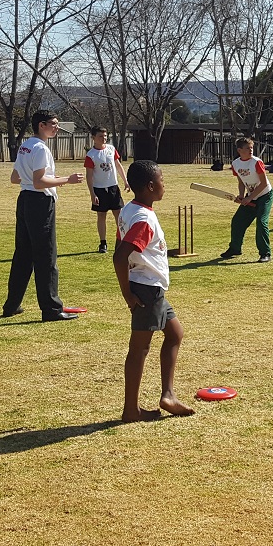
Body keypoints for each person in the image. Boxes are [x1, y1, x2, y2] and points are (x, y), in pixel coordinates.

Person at [114, 159, 195, 421]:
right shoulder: (144, 219)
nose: (164, 184)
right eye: (162, 180)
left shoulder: (129, 210)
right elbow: (119, 256)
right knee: (139, 348)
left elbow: (121, 245)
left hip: (151, 287)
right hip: (146, 288)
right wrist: (128, 295)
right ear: (150, 186)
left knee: (175, 333)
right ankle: (131, 410)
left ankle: (168, 395)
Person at [3, 110, 85, 321]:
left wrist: (51, 178)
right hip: (40, 203)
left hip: (25, 200)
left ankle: (12, 305)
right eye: (53, 124)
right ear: (41, 125)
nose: (57, 127)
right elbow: (39, 182)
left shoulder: (26, 146)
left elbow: (16, 178)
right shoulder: (40, 148)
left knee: (23, 255)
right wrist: (67, 180)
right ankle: (52, 309)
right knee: (46, 256)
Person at [222, 136, 273, 263]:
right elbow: (241, 182)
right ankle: (235, 248)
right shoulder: (235, 164)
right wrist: (241, 195)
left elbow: (263, 184)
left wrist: (249, 198)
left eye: (251, 148)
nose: (251, 150)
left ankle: (265, 253)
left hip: (265, 195)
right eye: (247, 148)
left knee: (261, 222)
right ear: (239, 150)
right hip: (251, 196)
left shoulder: (256, 162)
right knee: (237, 221)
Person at [83, 126, 127, 254]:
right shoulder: (91, 155)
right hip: (99, 189)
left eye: (105, 136)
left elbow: (118, 166)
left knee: (118, 214)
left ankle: (122, 240)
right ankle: (103, 243)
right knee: (101, 215)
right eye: (100, 136)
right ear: (93, 138)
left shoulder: (111, 149)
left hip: (113, 187)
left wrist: (125, 181)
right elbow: (89, 176)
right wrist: (92, 194)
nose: (104, 138)